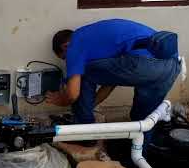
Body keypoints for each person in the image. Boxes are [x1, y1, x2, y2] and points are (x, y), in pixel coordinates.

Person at [46, 18, 181, 155]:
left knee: (83, 72)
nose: (69, 62)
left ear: (65, 47)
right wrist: (86, 107)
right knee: (142, 119)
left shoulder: (75, 43)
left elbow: (73, 94)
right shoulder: (97, 41)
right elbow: (111, 82)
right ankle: (138, 159)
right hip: (171, 64)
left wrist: (61, 100)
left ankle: (84, 135)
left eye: (65, 58)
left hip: (145, 63)